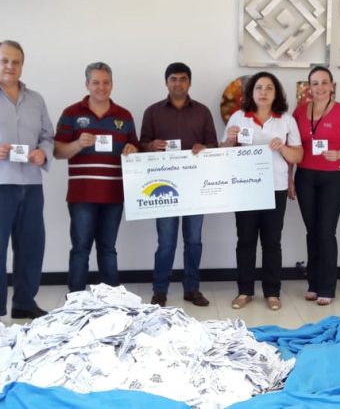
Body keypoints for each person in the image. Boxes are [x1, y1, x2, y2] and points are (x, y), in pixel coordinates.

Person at [221, 72, 303, 311]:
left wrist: (283, 148)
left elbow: (298, 155)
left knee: (272, 241)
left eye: (269, 88)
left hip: (275, 187)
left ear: (276, 93)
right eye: (259, 88)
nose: (263, 92)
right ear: (251, 92)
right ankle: (244, 291)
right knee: (245, 240)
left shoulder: (285, 120)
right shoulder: (239, 117)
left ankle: (272, 292)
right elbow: (222, 151)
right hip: (245, 187)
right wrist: (229, 141)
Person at [54, 62, 138, 292]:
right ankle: (76, 300)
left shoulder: (124, 116)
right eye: (96, 82)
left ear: (112, 84)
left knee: (108, 249)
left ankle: (111, 300)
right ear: (87, 84)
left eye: (106, 82)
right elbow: (57, 152)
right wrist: (77, 144)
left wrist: (133, 149)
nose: (101, 87)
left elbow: (135, 147)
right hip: (82, 195)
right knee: (80, 249)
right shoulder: (71, 113)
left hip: (114, 195)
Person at [140, 62, 217, 307]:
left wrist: (204, 148)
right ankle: (160, 290)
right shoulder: (152, 112)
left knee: (194, 240)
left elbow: (213, 145)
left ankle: (192, 289)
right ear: (166, 82)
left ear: (189, 82)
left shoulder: (202, 112)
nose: (178, 83)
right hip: (164, 186)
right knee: (166, 242)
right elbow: (141, 145)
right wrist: (151, 146)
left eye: (183, 79)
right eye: (173, 79)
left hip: (195, 186)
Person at [290, 66, 340, 305]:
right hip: (305, 177)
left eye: (324, 82)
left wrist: (338, 154)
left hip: (333, 179)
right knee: (312, 231)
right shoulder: (299, 112)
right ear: (309, 87)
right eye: (315, 83)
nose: (319, 87)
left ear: (332, 86)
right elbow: (293, 146)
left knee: (326, 232)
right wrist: (289, 178)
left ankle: (327, 287)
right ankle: (313, 284)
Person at [0, 40, 54, 319]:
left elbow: (48, 136)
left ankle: (24, 303)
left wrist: (43, 153)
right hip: (1, 184)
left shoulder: (36, 99)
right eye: (4, 60)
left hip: (31, 185)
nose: (10, 66)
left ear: (22, 65)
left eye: (16, 61)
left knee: (32, 246)